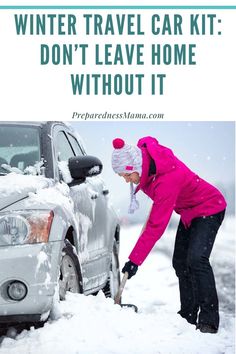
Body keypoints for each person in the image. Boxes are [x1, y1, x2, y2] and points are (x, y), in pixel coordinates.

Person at [111, 136, 226, 334]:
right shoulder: (147, 166)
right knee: (180, 263)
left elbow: (156, 226)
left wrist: (135, 261)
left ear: (135, 167)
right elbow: (148, 141)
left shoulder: (166, 181)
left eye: (126, 176)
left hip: (209, 207)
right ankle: (188, 315)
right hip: (189, 212)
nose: (126, 180)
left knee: (196, 259)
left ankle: (208, 319)